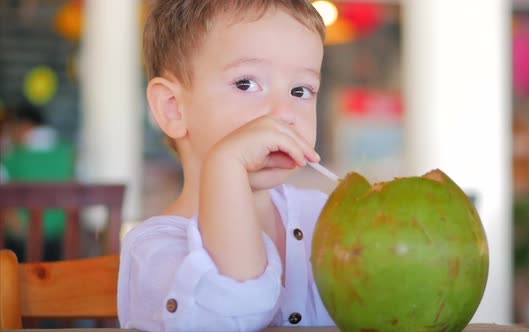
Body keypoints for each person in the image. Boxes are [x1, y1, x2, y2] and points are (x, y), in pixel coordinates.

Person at [117, 1, 334, 331]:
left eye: (300, 90)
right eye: (246, 84)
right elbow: (233, 316)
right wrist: (227, 165)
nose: (284, 112)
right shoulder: (154, 250)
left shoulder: (323, 217)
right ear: (173, 108)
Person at [0, 102, 75, 262]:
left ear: (25, 126)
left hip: (21, 249)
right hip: (63, 245)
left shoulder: (12, 158)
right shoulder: (68, 153)